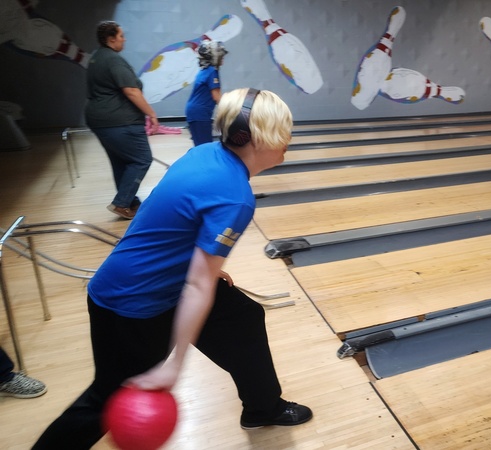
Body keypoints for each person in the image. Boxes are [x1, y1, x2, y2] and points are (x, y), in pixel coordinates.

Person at [33, 88, 311, 449]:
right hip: (131, 304)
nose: (289, 139)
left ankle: (262, 407)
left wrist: (199, 267)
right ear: (258, 138)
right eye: (284, 131)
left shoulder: (206, 154)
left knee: (243, 319)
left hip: (161, 281)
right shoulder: (234, 196)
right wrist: (175, 363)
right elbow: (197, 286)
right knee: (105, 399)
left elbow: (163, 222)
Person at [85, 20, 158, 220]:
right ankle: (122, 203)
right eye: (121, 36)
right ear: (111, 39)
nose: (124, 39)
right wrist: (151, 113)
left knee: (121, 162)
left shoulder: (96, 57)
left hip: (100, 120)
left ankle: (130, 202)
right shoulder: (113, 60)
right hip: (119, 120)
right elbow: (132, 91)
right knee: (142, 159)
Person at [185, 40, 228, 146]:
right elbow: (217, 97)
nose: (223, 58)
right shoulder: (212, 71)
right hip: (200, 113)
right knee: (204, 147)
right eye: (221, 56)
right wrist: (232, 109)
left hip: (195, 112)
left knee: (200, 145)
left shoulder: (205, 70)